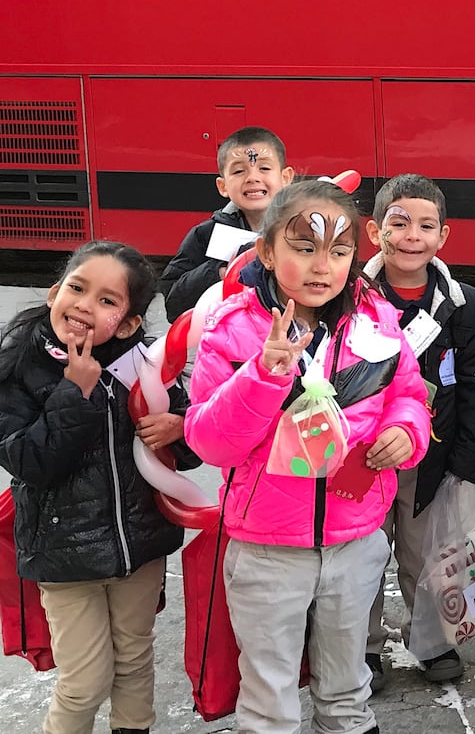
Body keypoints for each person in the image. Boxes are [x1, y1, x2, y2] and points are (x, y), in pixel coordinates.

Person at [186, 179, 432, 734]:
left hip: (357, 538)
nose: (323, 266)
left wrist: (405, 431)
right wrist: (264, 374)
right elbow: (209, 440)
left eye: (339, 251)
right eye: (304, 248)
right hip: (267, 547)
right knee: (270, 692)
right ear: (267, 251)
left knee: (347, 688)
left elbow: (409, 396)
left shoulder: (376, 320)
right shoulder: (232, 331)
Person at [0, 242, 192, 734]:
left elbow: (196, 445)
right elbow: (28, 460)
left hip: (140, 546)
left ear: (127, 323)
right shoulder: (19, 368)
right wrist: (75, 390)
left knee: (134, 661)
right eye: (77, 288)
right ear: (53, 293)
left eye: (108, 301)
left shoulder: (148, 366)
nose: (86, 304)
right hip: (65, 557)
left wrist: (180, 427)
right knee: (84, 682)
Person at [359, 174, 475, 689]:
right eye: (398, 223)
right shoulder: (349, 298)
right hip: (362, 459)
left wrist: (466, 465)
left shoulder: (468, 305)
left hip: (433, 462)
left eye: (425, 225)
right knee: (362, 560)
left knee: (430, 557)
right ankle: (364, 649)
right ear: (374, 232)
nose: (411, 236)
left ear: (444, 235)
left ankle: (434, 642)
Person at [158, 126, 295, 319]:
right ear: (222, 186)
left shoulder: (300, 231)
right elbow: (174, 303)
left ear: (285, 177)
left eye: (264, 168)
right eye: (239, 171)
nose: (252, 178)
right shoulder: (207, 234)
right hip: (226, 342)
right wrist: (219, 272)